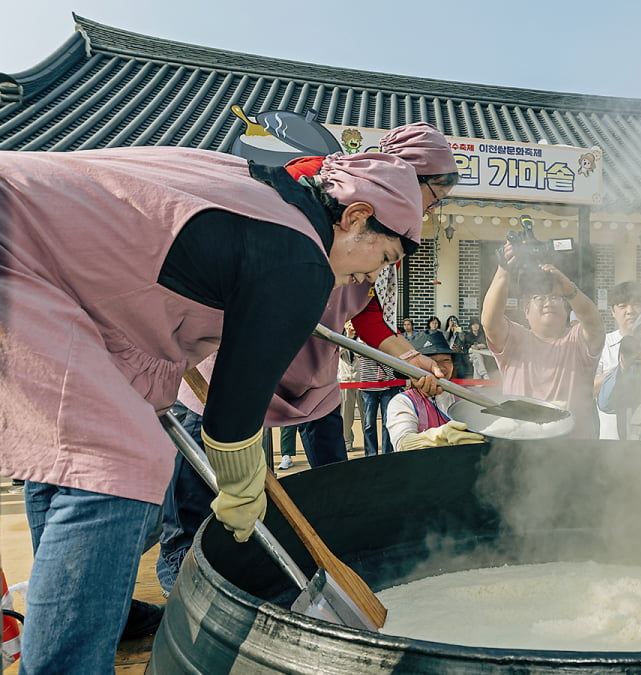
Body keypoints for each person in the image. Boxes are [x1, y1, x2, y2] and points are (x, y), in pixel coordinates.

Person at [0, 146, 421, 671]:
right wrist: (243, 485)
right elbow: (230, 418)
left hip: (39, 258)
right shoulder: (299, 253)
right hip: (15, 247)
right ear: (356, 217)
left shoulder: (264, 191)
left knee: (76, 466)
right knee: (118, 461)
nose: (369, 278)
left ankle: (65, 637)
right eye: (383, 259)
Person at [157, 121, 460, 595]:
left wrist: (409, 357)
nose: (432, 212)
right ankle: (184, 580)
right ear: (408, 177)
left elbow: (366, 307)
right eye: (434, 198)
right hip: (239, 357)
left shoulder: (384, 224)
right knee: (206, 478)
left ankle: (322, 555)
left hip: (311, 369)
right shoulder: (321, 186)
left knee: (328, 473)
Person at [481, 245, 605, 438]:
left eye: (555, 298)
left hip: (575, 446)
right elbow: (490, 321)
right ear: (526, 309)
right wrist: (503, 270)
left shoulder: (577, 339)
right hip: (520, 442)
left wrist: (570, 291)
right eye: (539, 298)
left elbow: (594, 322)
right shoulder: (515, 339)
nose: (548, 302)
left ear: (566, 310)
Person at [384, 331, 486, 451]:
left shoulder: (469, 396)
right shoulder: (403, 402)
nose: (440, 367)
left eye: (446, 360)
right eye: (430, 361)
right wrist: (440, 436)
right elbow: (402, 444)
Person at [594, 281, 641, 439]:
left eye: (636, 304)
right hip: (610, 441)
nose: (630, 311)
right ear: (612, 311)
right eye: (623, 306)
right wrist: (619, 372)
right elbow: (588, 388)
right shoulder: (602, 345)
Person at [338, 321, 362, 455]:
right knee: (346, 414)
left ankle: (369, 442)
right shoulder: (341, 339)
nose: (352, 326)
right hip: (346, 380)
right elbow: (339, 352)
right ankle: (347, 441)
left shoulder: (361, 340)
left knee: (366, 415)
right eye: (349, 323)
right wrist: (348, 336)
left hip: (362, 380)